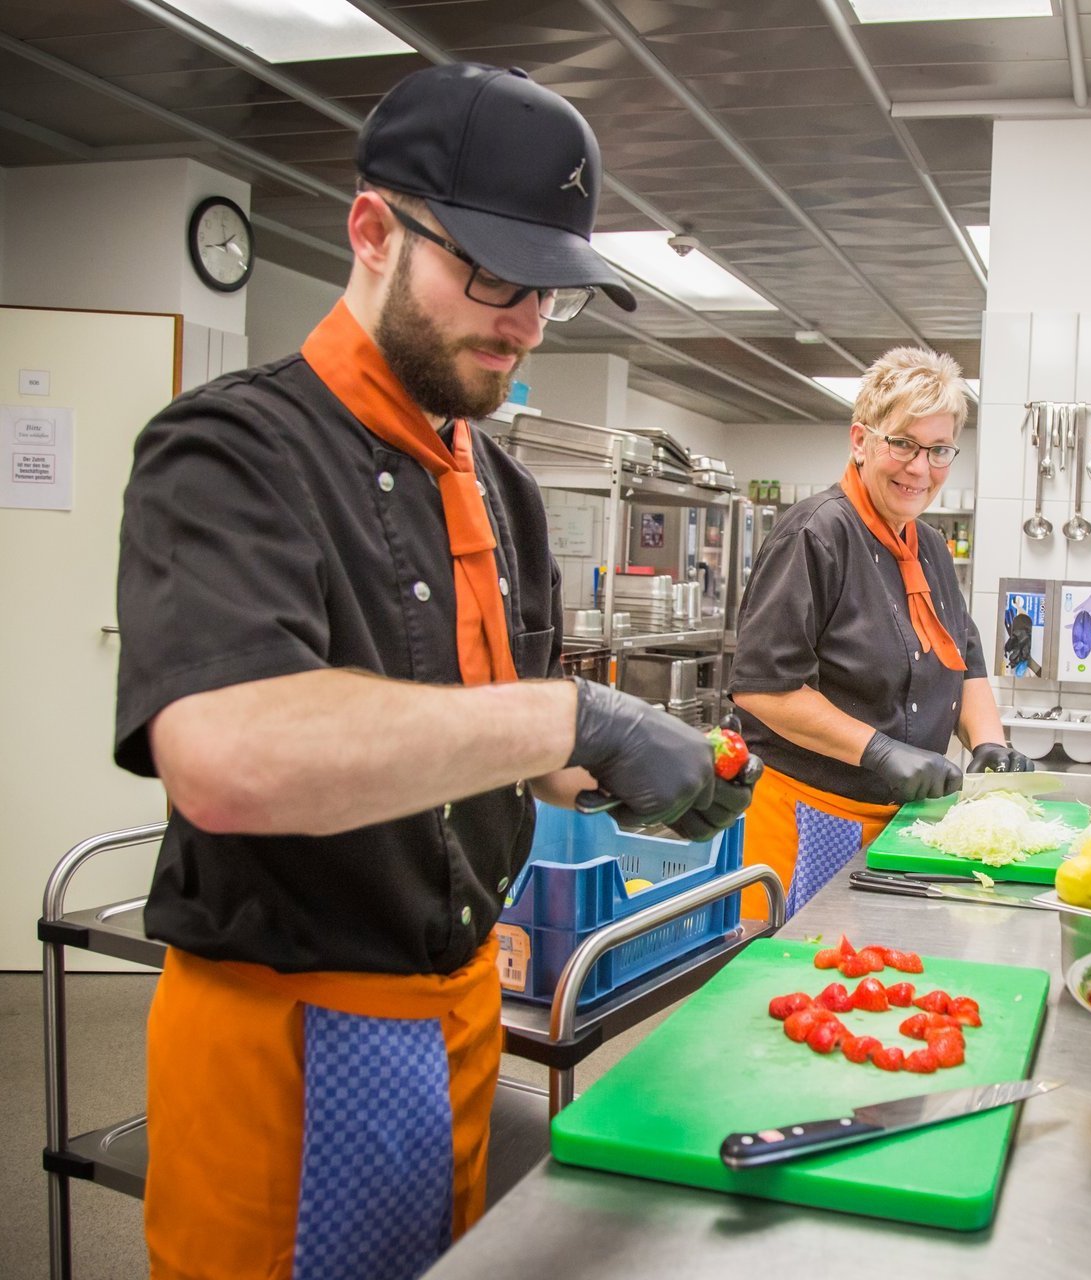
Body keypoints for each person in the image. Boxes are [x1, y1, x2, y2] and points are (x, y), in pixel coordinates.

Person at [113, 63, 759, 1280]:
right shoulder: (230, 451)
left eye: (548, 295)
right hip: (285, 1031)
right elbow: (228, 758)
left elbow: (482, 738)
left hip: (461, 1011)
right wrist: (582, 712)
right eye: (494, 277)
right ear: (371, 229)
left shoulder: (499, 488)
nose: (521, 321)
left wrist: (615, 774)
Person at [729, 348, 1031, 919]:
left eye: (939, 450)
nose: (921, 468)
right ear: (861, 441)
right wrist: (880, 750)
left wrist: (989, 742)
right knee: (795, 984)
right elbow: (763, 688)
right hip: (808, 816)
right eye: (903, 444)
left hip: (901, 823)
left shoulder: (931, 547)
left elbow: (963, 661)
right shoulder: (815, 536)